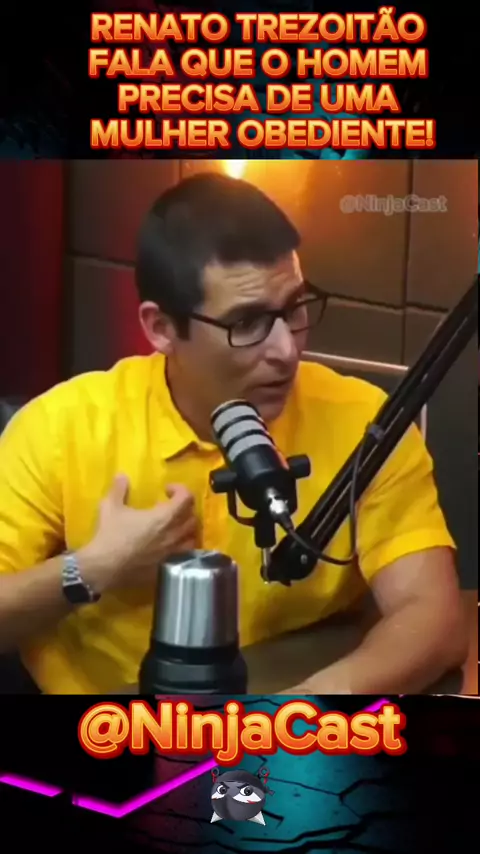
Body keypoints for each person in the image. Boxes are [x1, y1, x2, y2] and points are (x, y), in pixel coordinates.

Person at [0, 172, 467, 694]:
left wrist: (294, 714)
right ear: (161, 328)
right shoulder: (61, 428)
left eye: (294, 309)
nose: (286, 350)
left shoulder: (364, 425)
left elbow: (433, 618)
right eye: (246, 323)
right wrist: (92, 568)